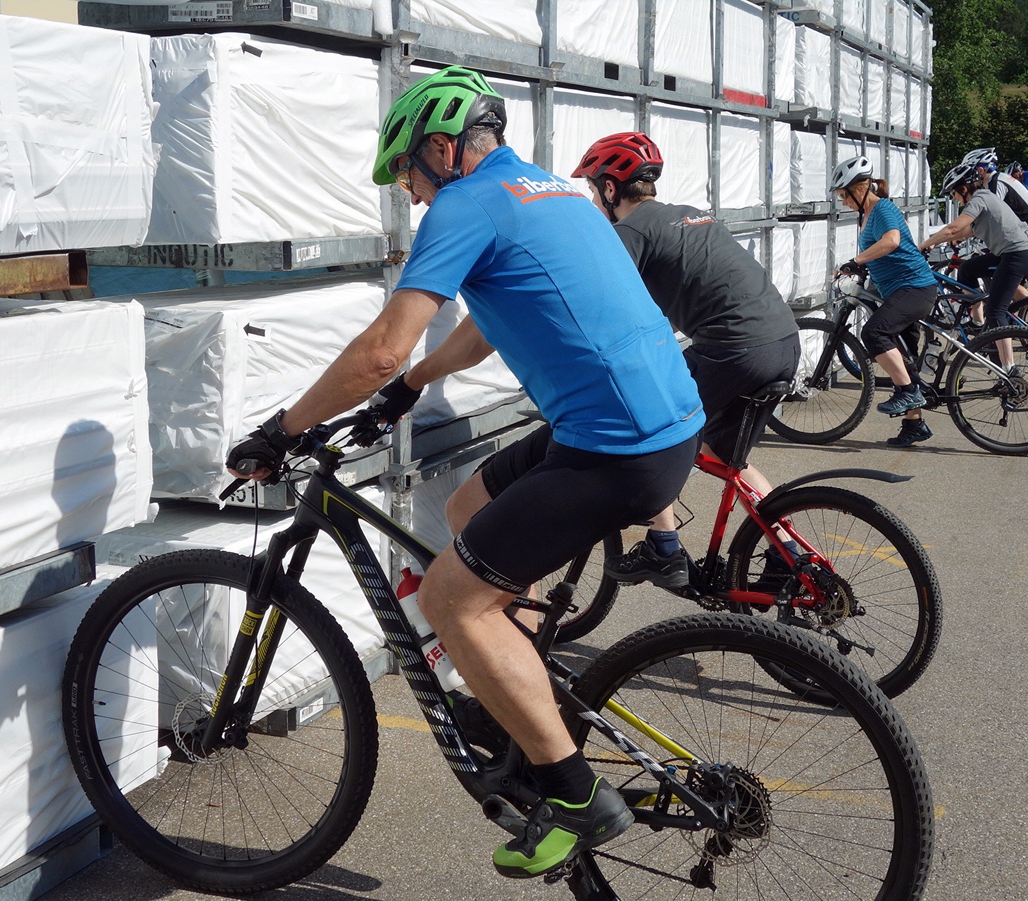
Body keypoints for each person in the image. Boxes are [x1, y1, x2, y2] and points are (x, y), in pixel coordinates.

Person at [224, 67, 704, 881]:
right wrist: (410, 389)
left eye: (407, 173)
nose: (410, 194)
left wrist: (283, 429)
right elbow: (483, 325)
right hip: (655, 422)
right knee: (468, 504)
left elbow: (380, 348)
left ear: (444, 151)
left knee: (450, 598)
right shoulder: (548, 191)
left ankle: (574, 792)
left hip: (614, 444)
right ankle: (512, 684)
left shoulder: (465, 203)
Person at [571, 132, 801, 587]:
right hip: (783, 342)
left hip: (735, 348)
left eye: (594, 191)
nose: (594, 202)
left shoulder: (630, 231)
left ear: (611, 189)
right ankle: (788, 556)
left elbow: (596, 308)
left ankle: (663, 547)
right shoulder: (691, 214)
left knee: (653, 426)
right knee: (724, 458)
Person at [832, 155, 939, 448]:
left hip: (915, 288)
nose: (843, 202)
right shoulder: (866, 215)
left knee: (873, 333)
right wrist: (863, 267)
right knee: (902, 358)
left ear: (859, 189)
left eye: (844, 195)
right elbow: (882, 250)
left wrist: (856, 260)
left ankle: (908, 392)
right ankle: (914, 425)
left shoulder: (883, 209)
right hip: (900, 290)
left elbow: (891, 241)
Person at [918, 160, 1028, 373]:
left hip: (1017, 254)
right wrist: (941, 241)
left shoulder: (979, 199)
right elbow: (969, 230)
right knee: (968, 270)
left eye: (954, 193)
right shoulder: (985, 198)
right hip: (1017, 251)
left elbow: (954, 227)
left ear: (964, 188)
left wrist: (923, 245)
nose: (953, 198)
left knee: (996, 312)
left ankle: (1009, 369)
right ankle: (976, 322)